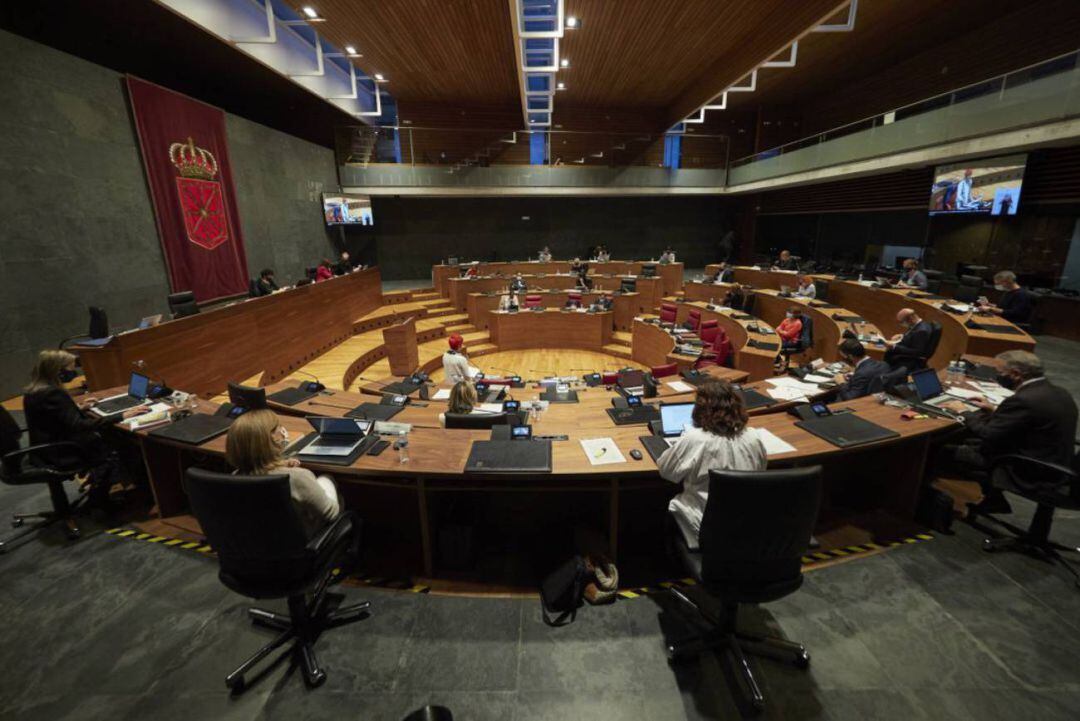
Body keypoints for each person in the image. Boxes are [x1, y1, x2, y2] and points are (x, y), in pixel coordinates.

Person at [942, 351, 1077, 515]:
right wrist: (994, 410)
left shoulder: (1024, 399)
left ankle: (930, 507)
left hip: (1028, 470)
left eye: (1000, 372)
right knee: (969, 440)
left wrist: (964, 411)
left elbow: (987, 433)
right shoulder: (1058, 392)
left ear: (1015, 374)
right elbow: (1031, 420)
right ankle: (993, 500)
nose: (997, 376)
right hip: (1055, 462)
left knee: (938, 449)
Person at [23, 350, 144, 511]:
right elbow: (79, 425)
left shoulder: (34, 391)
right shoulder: (53, 393)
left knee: (110, 438)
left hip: (44, 450)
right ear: (58, 371)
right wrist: (121, 415)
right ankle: (99, 498)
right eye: (70, 368)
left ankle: (112, 485)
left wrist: (79, 407)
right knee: (118, 446)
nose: (73, 372)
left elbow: (53, 417)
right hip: (61, 453)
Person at [657, 378, 767, 547]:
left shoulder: (696, 438)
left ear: (700, 410)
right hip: (746, 523)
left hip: (703, 526)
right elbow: (761, 469)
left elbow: (667, 472)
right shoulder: (753, 437)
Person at [225, 409, 340, 536]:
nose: (282, 430)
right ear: (271, 439)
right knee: (326, 479)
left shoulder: (234, 478)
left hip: (260, 540)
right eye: (278, 427)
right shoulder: (297, 477)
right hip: (303, 540)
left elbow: (260, 468)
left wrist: (279, 464)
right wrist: (327, 480)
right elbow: (331, 514)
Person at [884, 308, 933, 374]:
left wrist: (895, 347)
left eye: (901, 322)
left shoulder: (921, 331)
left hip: (908, 358)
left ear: (910, 319)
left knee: (888, 352)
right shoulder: (918, 324)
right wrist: (901, 336)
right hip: (905, 348)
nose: (901, 324)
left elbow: (917, 351)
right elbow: (913, 335)